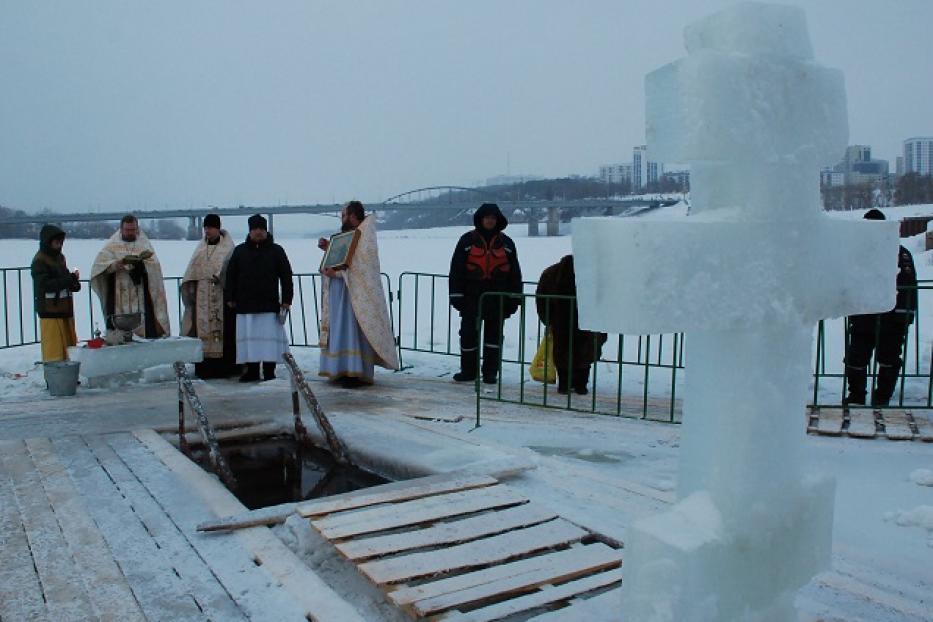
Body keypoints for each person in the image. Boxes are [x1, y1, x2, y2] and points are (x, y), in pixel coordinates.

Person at [318, 201, 399, 386]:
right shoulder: (350, 235)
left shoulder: (364, 237)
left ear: (354, 216)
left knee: (352, 331)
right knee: (341, 330)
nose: (342, 219)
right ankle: (341, 368)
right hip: (342, 293)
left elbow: (362, 267)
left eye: (345, 215)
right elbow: (348, 258)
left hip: (356, 297)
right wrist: (329, 248)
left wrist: (337, 273)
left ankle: (354, 372)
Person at [844, 208, 918, 407]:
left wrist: (905, 315)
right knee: (856, 358)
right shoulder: (858, 253)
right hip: (863, 316)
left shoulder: (899, 252)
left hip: (891, 318)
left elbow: (908, 285)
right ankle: (857, 396)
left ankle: (882, 397)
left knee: (889, 358)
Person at [448, 203, 522, 383]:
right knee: (468, 336)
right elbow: (456, 270)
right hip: (471, 298)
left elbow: (515, 274)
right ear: (480, 219)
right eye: (487, 217)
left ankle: (490, 373)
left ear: (498, 220)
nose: (490, 220)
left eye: (493, 218)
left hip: (498, 298)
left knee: (494, 339)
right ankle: (468, 371)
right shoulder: (466, 240)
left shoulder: (507, 243)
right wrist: (456, 296)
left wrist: (514, 299)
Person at [225, 215, 293, 382]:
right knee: (250, 341)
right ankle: (252, 371)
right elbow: (231, 276)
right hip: (245, 304)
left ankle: (269, 371)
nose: (259, 232)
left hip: (269, 304)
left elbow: (286, 276)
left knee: (268, 342)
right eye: (255, 229)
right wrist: (230, 297)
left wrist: (287, 299)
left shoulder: (276, 250)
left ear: (266, 230)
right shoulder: (239, 251)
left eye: (262, 229)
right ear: (250, 231)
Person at [536, 255, 608, 395]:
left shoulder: (552, 273)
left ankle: (566, 383)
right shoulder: (596, 273)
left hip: (563, 321)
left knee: (565, 349)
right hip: (582, 321)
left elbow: (542, 300)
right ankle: (579, 384)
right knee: (584, 350)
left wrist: (548, 319)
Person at [90, 214, 171, 338]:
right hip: (118, 293)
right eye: (127, 230)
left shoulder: (144, 244)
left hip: (140, 293)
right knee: (119, 329)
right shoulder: (111, 246)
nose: (130, 232)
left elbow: (154, 266)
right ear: (121, 229)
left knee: (145, 327)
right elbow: (99, 267)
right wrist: (115, 265)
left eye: (133, 230)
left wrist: (141, 265)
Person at [181, 214, 238, 378]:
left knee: (223, 331)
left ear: (218, 228)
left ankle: (226, 367)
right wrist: (191, 288)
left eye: (211, 228)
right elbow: (191, 272)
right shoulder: (200, 249)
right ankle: (204, 368)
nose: (208, 231)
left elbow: (233, 272)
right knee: (203, 330)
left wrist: (222, 278)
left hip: (221, 294)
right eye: (205, 228)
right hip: (203, 296)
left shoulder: (229, 248)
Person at [31, 225, 82, 362]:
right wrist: (68, 280)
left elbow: (64, 277)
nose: (59, 245)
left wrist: (74, 282)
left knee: (69, 346)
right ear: (48, 242)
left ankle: (69, 374)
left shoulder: (60, 257)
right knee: (54, 349)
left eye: (61, 242)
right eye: (56, 242)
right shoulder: (40, 261)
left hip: (64, 308)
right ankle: (55, 378)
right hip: (49, 311)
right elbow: (44, 285)